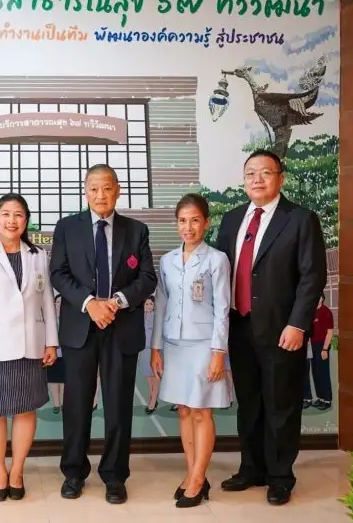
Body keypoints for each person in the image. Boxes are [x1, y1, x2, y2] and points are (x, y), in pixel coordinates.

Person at [214, 149, 327, 506]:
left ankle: (280, 476)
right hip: (239, 326)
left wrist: (298, 324)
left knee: (281, 404)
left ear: (281, 177)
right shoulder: (232, 219)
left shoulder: (300, 219)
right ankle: (252, 468)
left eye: (265, 172)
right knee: (249, 403)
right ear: (243, 180)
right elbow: (219, 272)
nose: (257, 179)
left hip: (282, 330)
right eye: (250, 173)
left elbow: (312, 276)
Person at [49, 163, 157, 504]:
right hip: (81, 327)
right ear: (86, 191)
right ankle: (74, 472)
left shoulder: (136, 230)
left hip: (121, 327)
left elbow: (147, 278)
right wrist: (89, 303)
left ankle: (114, 475)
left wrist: (118, 301)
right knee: (76, 405)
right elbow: (58, 273)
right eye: (94, 188)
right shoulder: (67, 227)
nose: (100, 195)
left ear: (118, 190)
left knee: (118, 405)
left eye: (107, 188)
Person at [0, 193, 58, 501]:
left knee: (26, 409)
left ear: (26, 221)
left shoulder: (38, 255)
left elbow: (47, 300)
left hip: (31, 346)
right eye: (6, 214)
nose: (12, 221)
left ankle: (17, 471)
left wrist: (51, 341)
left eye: (18, 215)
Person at [150, 193, 233, 508]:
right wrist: (156, 347)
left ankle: (198, 478)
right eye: (183, 221)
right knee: (184, 410)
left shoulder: (216, 259)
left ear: (206, 223)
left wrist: (218, 352)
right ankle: (192, 473)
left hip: (203, 345)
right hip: (174, 344)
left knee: (201, 411)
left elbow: (222, 309)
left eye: (195, 220)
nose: (188, 227)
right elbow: (161, 305)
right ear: (176, 224)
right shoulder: (168, 261)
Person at [303, 293, 334, 411]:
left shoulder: (326, 312)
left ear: (322, 298)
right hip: (308, 344)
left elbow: (330, 332)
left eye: (319, 296)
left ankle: (326, 399)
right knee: (310, 372)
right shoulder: (309, 311)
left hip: (321, 345)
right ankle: (312, 398)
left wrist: (325, 349)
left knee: (322, 372)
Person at [137, 296, 158, 413]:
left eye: (151, 304)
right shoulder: (140, 317)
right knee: (148, 376)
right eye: (147, 304)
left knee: (154, 376)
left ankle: (153, 401)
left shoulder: (155, 317)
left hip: (152, 349)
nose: (149, 306)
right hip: (142, 350)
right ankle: (152, 396)